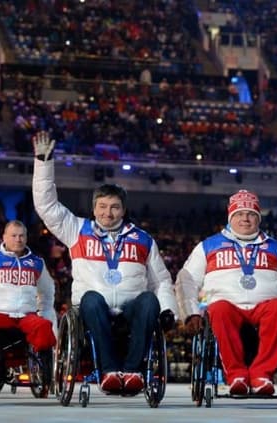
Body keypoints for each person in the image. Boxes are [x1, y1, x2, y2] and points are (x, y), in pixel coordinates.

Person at [31, 131, 178, 394]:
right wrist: (43, 163)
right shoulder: (76, 229)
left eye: (114, 207)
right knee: (91, 298)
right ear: (93, 208)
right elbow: (47, 206)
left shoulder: (142, 239)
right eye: (102, 206)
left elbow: (161, 280)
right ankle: (109, 372)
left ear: (123, 210)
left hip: (130, 312)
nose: (107, 212)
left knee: (149, 300)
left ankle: (132, 372)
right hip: (92, 312)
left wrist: (168, 309)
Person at [175, 189, 277, 396]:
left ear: (258, 218)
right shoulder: (208, 246)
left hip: (264, 306)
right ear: (230, 217)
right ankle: (236, 375)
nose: (245, 219)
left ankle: (261, 375)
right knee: (218, 309)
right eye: (239, 214)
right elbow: (187, 280)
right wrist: (191, 312)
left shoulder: (276, 248)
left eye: (251, 214)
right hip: (227, 305)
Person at [0, 220, 57, 352]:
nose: (18, 239)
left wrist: (44, 312)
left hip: (27, 315)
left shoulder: (37, 263)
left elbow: (47, 291)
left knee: (44, 326)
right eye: (14, 236)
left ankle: (43, 370)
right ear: (4, 237)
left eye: (22, 236)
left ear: (26, 238)